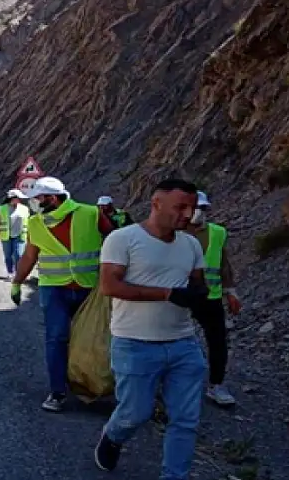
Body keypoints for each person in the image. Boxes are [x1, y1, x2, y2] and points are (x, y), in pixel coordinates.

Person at [94, 178, 209, 480]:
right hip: (134, 343)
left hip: (184, 343)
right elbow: (109, 285)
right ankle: (114, 436)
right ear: (156, 202)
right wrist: (168, 294)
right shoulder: (123, 239)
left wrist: (200, 294)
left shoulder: (192, 244)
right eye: (180, 207)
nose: (187, 214)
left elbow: (198, 283)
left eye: (192, 208)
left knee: (186, 420)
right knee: (135, 413)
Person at [10, 175, 115, 412]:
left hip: (89, 289)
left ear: (53, 198)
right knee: (56, 339)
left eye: (37, 198)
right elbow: (29, 256)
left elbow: (115, 240)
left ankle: (94, 386)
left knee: (92, 338)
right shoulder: (36, 223)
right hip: (53, 289)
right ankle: (58, 392)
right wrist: (17, 282)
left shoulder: (90, 213)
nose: (33, 203)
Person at [184, 191, 241, 407]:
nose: (200, 213)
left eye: (204, 209)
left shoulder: (217, 232)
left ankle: (216, 384)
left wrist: (230, 291)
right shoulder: (173, 233)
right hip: (179, 295)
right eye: (197, 208)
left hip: (210, 297)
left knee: (217, 341)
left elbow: (223, 264)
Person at [0, 189, 30, 278]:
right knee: (8, 256)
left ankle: (18, 273)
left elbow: (29, 222)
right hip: (6, 236)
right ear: (12, 198)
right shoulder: (2, 208)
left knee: (19, 255)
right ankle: (10, 272)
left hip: (20, 235)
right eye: (18, 198)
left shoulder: (24, 209)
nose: (20, 200)